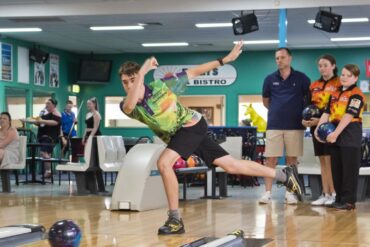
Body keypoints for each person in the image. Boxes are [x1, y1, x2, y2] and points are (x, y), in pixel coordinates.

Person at [118, 42, 304, 235]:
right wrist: (141, 74)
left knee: (164, 163)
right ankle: (284, 175)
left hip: (191, 126)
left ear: (141, 79)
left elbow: (196, 71)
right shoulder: (126, 106)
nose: (131, 85)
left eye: (134, 80)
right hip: (182, 135)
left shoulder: (163, 86)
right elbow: (131, 103)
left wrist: (225, 59)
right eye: (126, 82)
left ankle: (174, 219)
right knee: (231, 165)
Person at [261, 47, 311, 205]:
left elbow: (308, 100)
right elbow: (266, 101)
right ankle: (267, 193)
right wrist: (278, 111)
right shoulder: (269, 79)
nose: (279, 60)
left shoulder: (302, 78)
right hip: (274, 125)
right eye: (277, 58)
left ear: (290, 58)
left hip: (295, 125)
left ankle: (290, 192)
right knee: (270, 159)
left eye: (282, 57)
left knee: (292, 160)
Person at [315, 64, 365, 210]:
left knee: (349, 169)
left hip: (349, 132)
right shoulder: (335, 93)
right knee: (336, 168)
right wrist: (318, 130)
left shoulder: (357, 94)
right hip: (333, 130)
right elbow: (326, 113)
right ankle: (339, 199)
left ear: (355, 78)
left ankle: (349, 201)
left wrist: (335, 134)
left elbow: (349, 115)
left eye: (348, 75)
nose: (344, 77)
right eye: (342, 74)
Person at [302, 54, 341, 206]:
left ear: (333, 66)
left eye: (325, 65)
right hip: (315, 128)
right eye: (320, 65)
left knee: (331, 161)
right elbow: (307, 105)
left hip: (331, 127)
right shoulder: (314, 85)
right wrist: (305, 120)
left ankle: (334, 193)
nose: (322, 68)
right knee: (323, 160)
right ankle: (325, 193)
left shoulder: (339, 83)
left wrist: (322, 120)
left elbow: (338, 107)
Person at [32, 99, 62, 178]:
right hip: (42, 136)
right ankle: (47, 171)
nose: (47, 105)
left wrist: (43, 121)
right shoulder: (44, 112)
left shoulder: (56, 113)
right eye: (46, 103)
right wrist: (32, 121)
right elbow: (40, 123)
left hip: (50, 137)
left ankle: (48, 171)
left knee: (43, 152)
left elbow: (55, 122)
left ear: (54, 105)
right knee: (46, 154)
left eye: (49, 103)